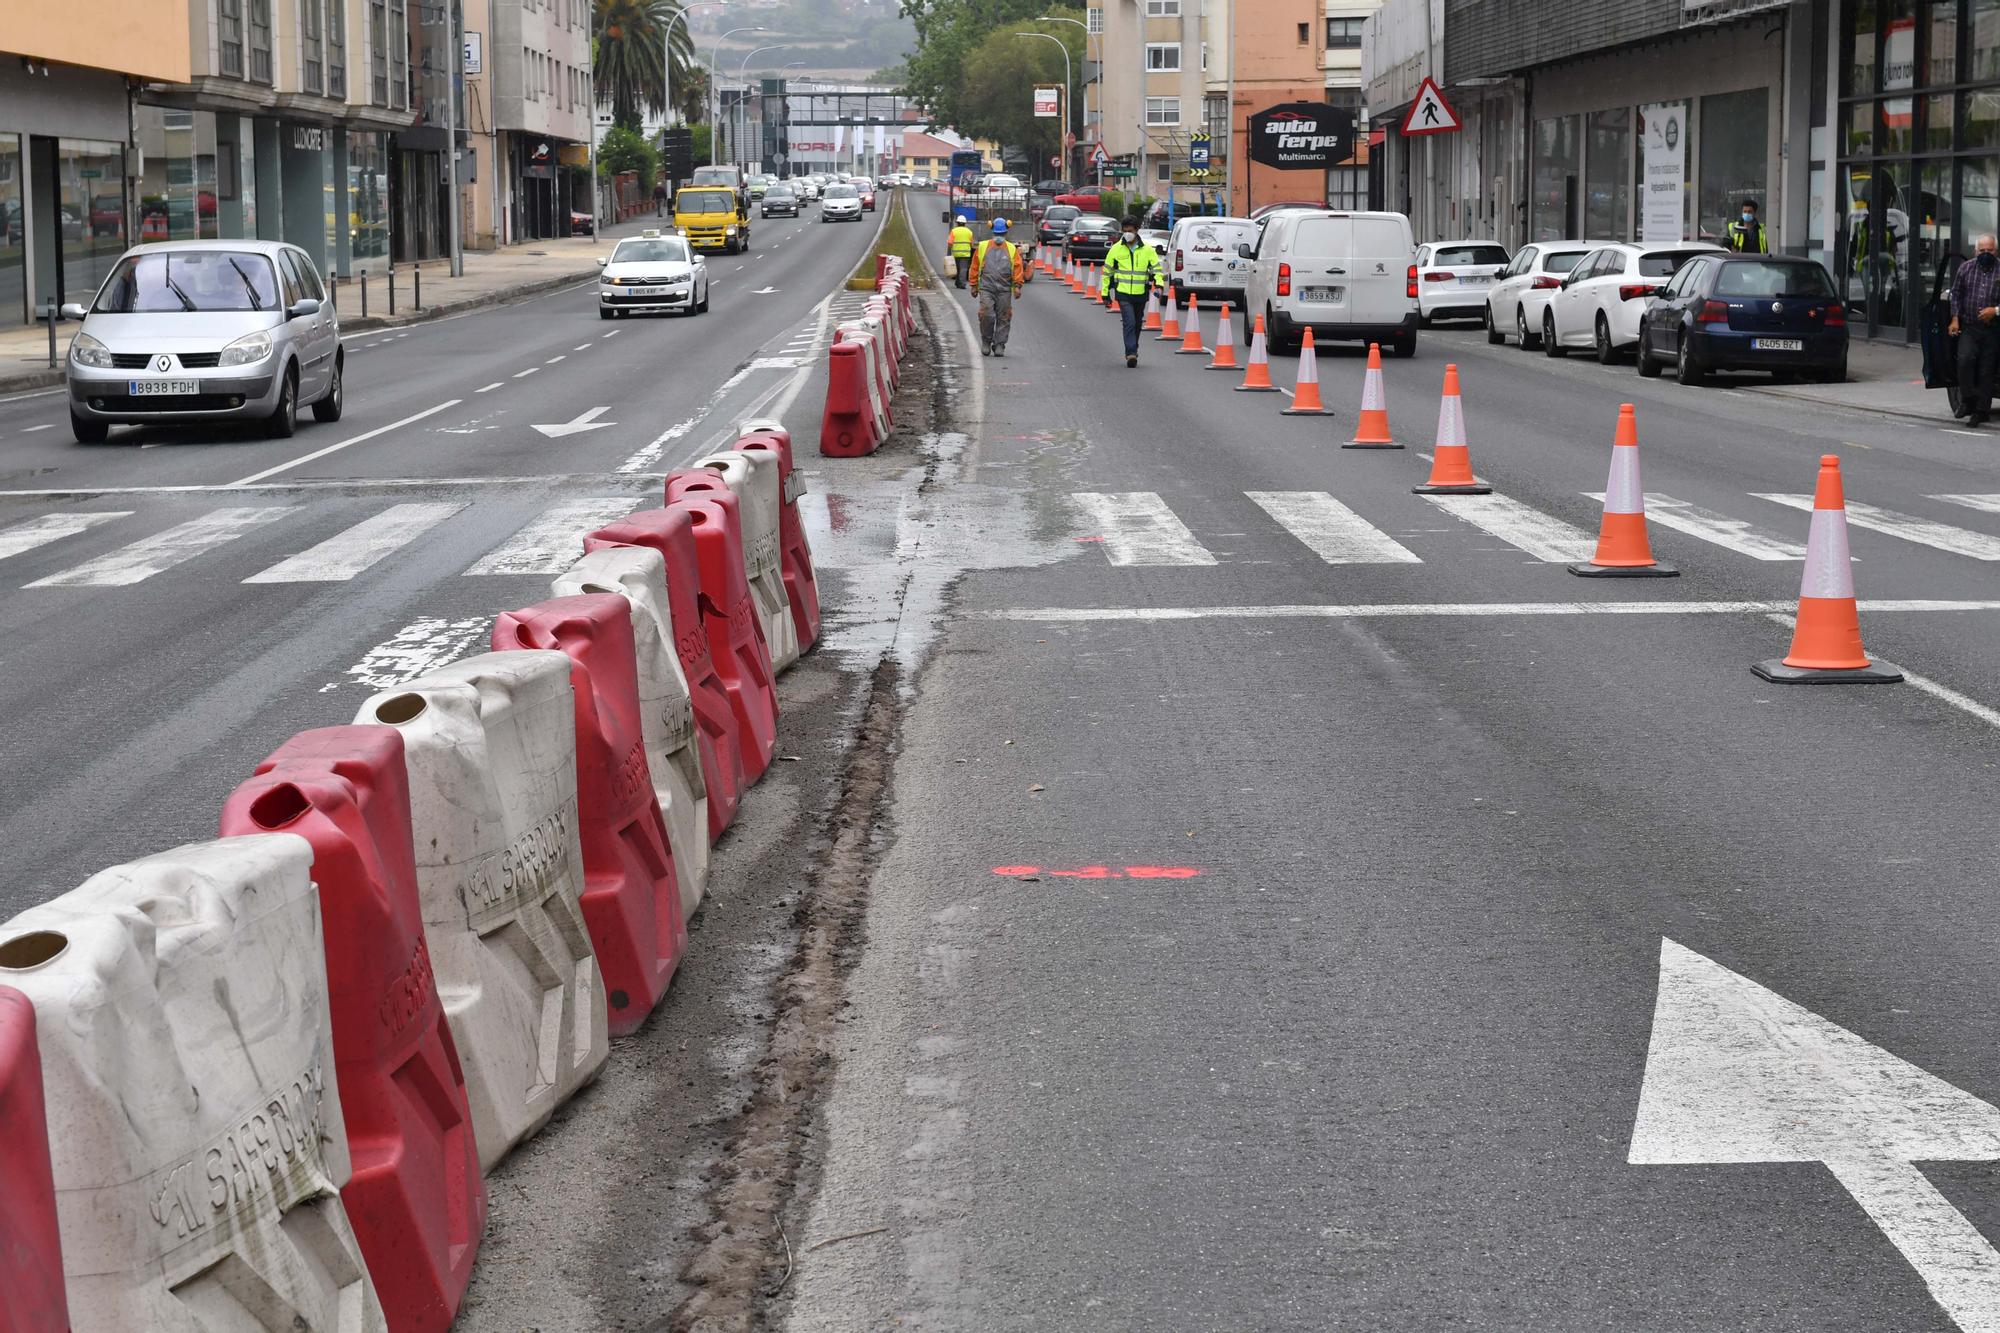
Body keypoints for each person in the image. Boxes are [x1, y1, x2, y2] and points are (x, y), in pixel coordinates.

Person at [1951, 233, 2000, 425]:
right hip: (1970, 327)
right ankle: (1968, 400)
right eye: (1982, 250)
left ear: (1995, 251)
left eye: (1990, 250)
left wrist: (1995, 311)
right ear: (1975, 251)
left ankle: (1981, 411)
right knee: (1964, 360)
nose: (1986, 254)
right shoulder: (1966, 268)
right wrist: (1955, 319)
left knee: (1987, 370)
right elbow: (1956, 294)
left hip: (1993, 329)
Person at [1102, 215, 1163, 367]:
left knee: (1137, 323)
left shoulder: (1147, 250)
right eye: (1125, 231)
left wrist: (1159, 285)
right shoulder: (1116, 249)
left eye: (1130, 230)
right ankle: (1131, 353)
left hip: (1140, 293)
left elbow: (1156, 269)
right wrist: (1105, 294)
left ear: (1137, 230)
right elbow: (1107, 273)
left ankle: (1133, 348)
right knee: (1129, 322)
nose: (1127, 233)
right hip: (1123, 293)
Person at [969, 217, 1025, 357]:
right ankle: (986, 341)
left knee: (1004, 317)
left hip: (1004, 290)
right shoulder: (982, 247)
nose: (999, 237)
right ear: (993, 233)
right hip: (987, 288)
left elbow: (1018, 268)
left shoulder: (1012, 249)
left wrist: (1017, 286)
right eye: (997, 234)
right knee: (986, 314)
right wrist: (974, 285)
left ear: (1005, 234)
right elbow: (975, 266)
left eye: (1001, 234)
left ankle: (999, 344)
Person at [948, 213, 975, 289]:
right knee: (963, 269)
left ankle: (957, 283)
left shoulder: (954, 231)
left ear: (957, 223)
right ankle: (962, 284)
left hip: (956, 253)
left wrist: (952, 249)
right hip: (965, 254)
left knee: (957, 269)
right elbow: (971, 244)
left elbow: (950, 243)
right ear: (965, 223)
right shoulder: (969, 232)